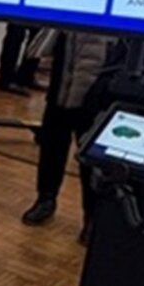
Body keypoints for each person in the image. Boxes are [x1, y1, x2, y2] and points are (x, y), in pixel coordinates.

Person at [21, 30, 113, 243]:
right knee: (52, 145)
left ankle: (91, 217)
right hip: (61, 86)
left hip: (96, 96)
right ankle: (46, 198)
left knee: (91, 160)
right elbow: (39, 48)